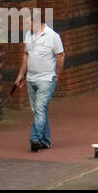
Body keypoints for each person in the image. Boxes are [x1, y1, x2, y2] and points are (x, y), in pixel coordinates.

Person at [13, 12, 64, 152]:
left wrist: (57, 75)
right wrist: (20, 75)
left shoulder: (52, 36)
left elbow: (60, 56)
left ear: (39, 22)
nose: (26, 26)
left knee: (40, 109)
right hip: (31, 78)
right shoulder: (28, 35)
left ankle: (35, 138)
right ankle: (45, 141)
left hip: (46, 79)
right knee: (38, 111)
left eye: (29, 24)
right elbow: (26, 55)